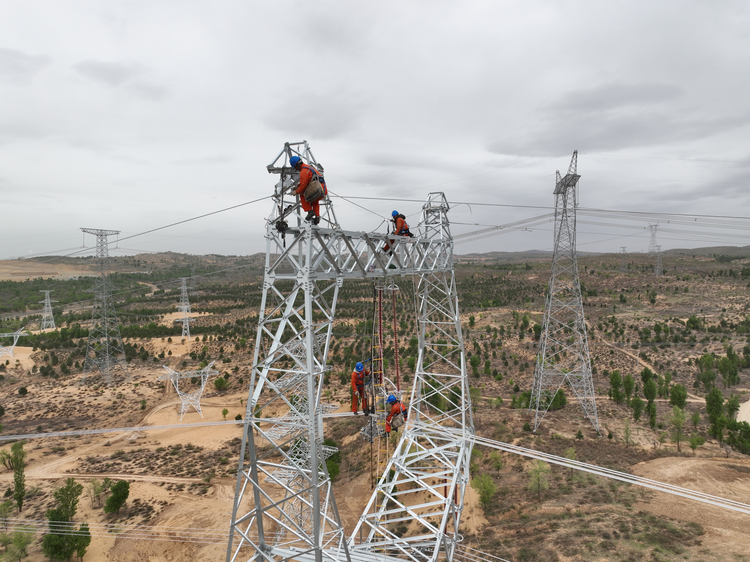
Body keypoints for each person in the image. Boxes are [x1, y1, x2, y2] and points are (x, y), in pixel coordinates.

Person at [290, 155, 327, 224]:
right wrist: (298, 186)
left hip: (317, 189)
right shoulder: (309, 168)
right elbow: (305, 182)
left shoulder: (304, 171)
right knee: (314, 201)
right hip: (322, 190)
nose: (296, 169)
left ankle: (310, 211)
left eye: (295, 167)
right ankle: (317, 216)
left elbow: (302, 188)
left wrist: (295, 192)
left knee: (302, 194)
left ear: (297, 165)